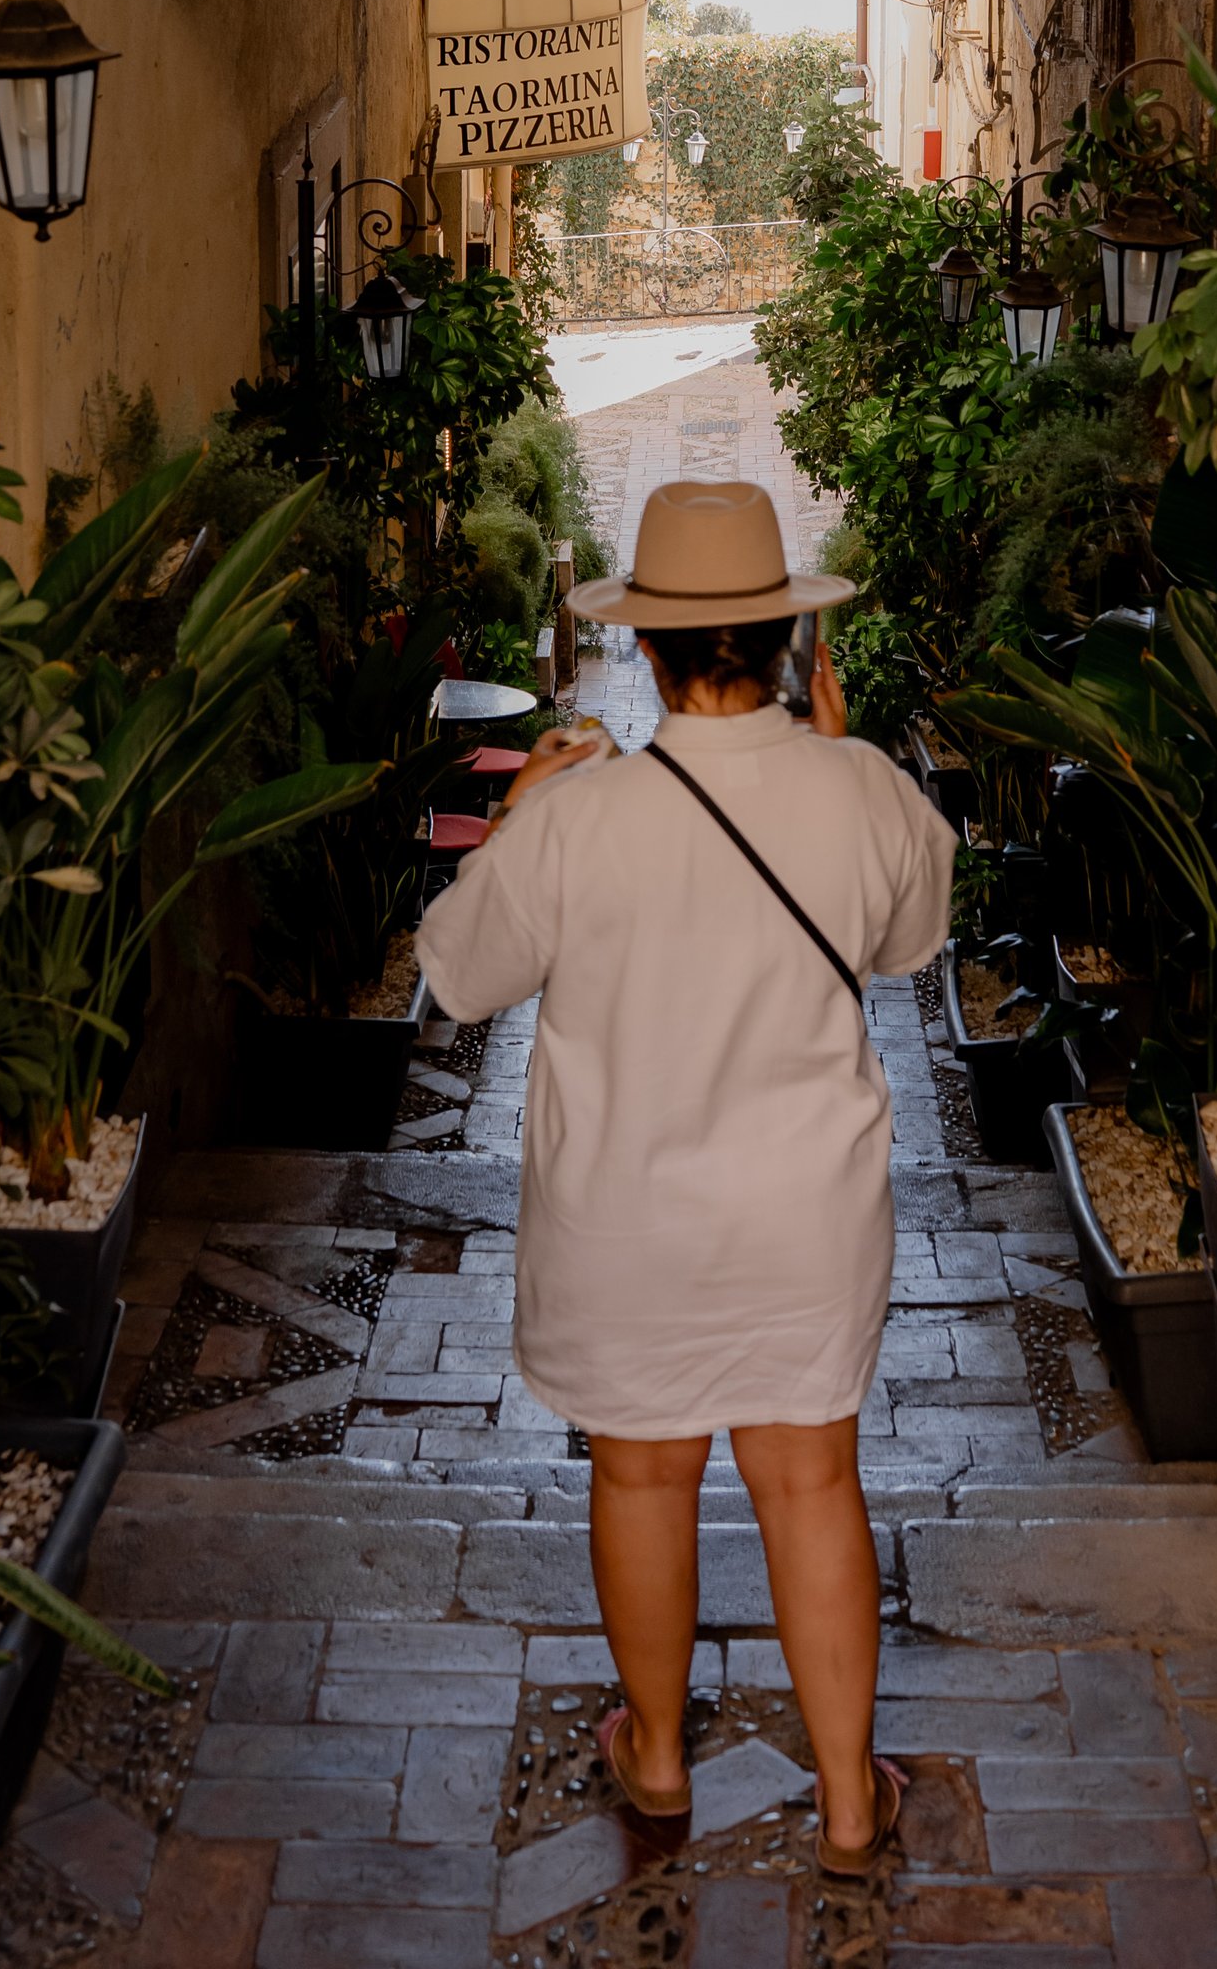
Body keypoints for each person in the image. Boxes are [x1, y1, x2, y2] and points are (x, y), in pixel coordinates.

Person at [415, 478, 956, 1874]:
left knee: (645, 1484)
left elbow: (460, 980)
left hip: (628, 1227)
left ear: (646, 652)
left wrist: (525, 807)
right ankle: (848, 1806)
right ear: (789, 643)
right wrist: (844, 765)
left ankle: (656, 1760)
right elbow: (911, 944)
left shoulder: (585, 819)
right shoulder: (864, 790)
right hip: (802, 1224)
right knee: (811, 1487)